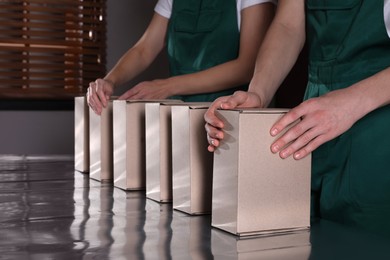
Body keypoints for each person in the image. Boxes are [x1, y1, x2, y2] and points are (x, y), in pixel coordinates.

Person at [205, 0, 390, 236]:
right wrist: (258, 92)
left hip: (379, 127)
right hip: (311, 118)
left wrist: (352, 102)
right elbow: (287, 25)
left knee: (370, 240)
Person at [87, 0, 276, 115]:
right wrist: (110, 80)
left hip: (233, 111)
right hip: (179, 113)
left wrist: (168, 86)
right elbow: (144, 49)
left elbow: (248, 67)